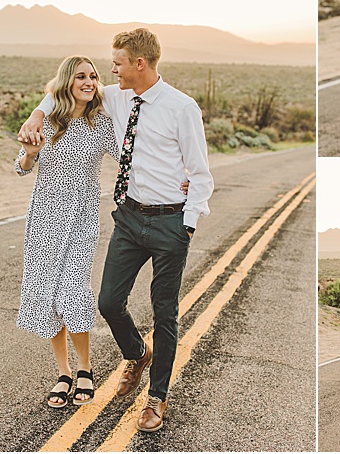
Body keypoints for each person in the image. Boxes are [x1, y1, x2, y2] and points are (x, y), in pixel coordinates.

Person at [20, 28, 213, 432]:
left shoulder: (182, 108)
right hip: (127, 217)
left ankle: (156, 398)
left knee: (165, 313)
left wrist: (188, 225)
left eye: (117, 64)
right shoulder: (117, 96)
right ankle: (135, 353)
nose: (110, 72)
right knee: (108, 302)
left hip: (170, 222)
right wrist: (38, 114)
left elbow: (200, 173)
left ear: (138, 64)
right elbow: (64, 90)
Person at [15, 55, 117, 408]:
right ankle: (63, 372)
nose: (89, 82)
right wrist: (30, 153)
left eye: (93, 76)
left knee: (73, 291)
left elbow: (128, 159)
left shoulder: (101, 124)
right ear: (66, 82)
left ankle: (85, 369)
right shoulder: (49, 121)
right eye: (80, 77)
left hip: (82, 220)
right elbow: (22, 167)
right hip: (44, 219)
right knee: (49, 294)